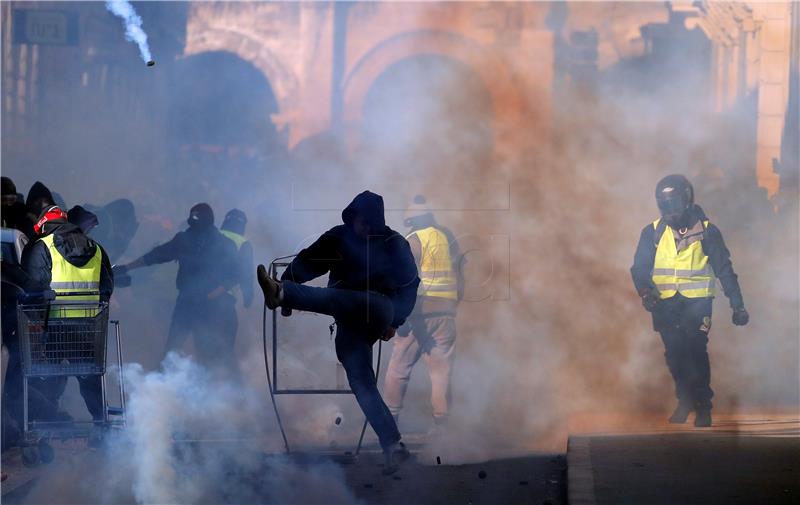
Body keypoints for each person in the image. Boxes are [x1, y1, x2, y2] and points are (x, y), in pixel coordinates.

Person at [256, 191, 420, 474]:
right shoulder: (338, 238)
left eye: (371, 223)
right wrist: (289, 281)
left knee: (335, 298)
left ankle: (283, 294)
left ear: (378, 222)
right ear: (352, 217)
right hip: (348, 319)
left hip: (377, 306)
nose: (366, 228)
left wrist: (397, 321)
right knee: (361, 383)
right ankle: (394, 447)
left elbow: (409, 284)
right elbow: (309, 262)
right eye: (361, 222)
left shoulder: (394, 243)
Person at [630, 174, 749, 427]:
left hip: (698, 303)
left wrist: (737, 304)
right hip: (664, 305)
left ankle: (703, 406)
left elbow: (724, 269)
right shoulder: (652, 232)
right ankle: (684, 400)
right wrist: (645, 293)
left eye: (673, 205)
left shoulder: (707, 232)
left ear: (687, 201)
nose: (669, 211)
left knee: (696, 350)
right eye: (664, 206)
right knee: (674, 355)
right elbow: (639, 268)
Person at [117, 203, 239, 373]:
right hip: (187, 301)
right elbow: (157, 255)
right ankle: (160, 389)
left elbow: (232, 277)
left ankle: (211, 392)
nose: (191, 221)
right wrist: (126, 267)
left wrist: (209, 297)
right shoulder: (184, 240)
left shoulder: (224, 245)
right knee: (173, 346)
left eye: (195, 217)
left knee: (207, 351)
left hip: (211, 307)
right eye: (191, 217)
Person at [21, 205, 114, 423]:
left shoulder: (42, 247)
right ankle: (101, 425)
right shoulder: (96, 248)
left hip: (52, 328)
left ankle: (48, 423)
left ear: (43, 225)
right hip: (89, 327)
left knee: (50, 377)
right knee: (90, 378)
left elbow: (33, 289)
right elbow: (106, 288)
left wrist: (36, 324)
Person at [383, 195, 462, 433]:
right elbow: (461, 275)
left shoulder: (414, 240)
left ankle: (389, 423)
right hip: (446, 314)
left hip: (419, 314)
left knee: (399, 368)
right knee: (441, 372)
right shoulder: (447, 237)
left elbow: (404, 277)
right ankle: (443, 428)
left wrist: (399, 314)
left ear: (410, 221)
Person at [220, 209, 254, 308]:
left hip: (201, 293)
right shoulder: (244, 243)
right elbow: (246, 272)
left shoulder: (212, 234)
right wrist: (248, 297)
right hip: (225, 294)